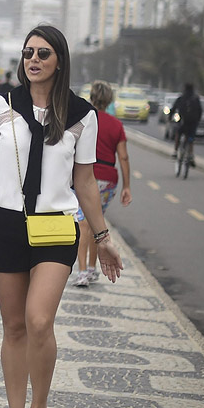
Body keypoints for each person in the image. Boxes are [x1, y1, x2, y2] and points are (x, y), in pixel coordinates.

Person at [0, 25, 123, 408]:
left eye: (44, 53)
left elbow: (85, 181)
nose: (34, 60)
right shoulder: (1, 105)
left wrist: (102, 235)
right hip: (8, 224)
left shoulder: (81, 115)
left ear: (59, 61)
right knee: (14, 326)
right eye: (29, 52)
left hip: (54, 227)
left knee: (38, 321)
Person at [73, 81, 131, 287]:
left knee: (82, 225)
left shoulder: (85, 118)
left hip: (85, 176)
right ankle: (90, 267)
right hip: (108, 179)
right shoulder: (116, 125)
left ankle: (82, 272)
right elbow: (123, 157)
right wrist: (126, 186)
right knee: (95, 222)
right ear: (110, 100)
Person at [170, 82, 202, 166]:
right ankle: (190, 155)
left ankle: (175, 152)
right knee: (191, 138)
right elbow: (200, 111)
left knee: (178, 134)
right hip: (192, 123)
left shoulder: (181, 98)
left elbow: (174, 108)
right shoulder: (196, 98)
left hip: (183, 122)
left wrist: (170, 117)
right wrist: (197, 121)